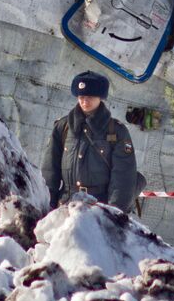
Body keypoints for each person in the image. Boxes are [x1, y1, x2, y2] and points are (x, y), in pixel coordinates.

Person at [42, 70, 140, 213]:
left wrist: (114, 213)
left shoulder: (117, 131)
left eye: (90, 96)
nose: (84, 101)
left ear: (101, 97)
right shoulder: (63, 127)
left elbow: (123, 176)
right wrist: (48, 204)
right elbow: (50, 169)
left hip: (98, 208)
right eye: (81, 96)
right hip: (65, 205)